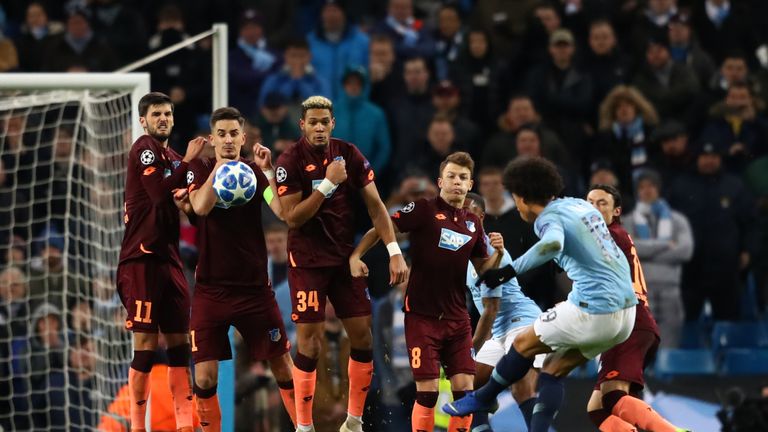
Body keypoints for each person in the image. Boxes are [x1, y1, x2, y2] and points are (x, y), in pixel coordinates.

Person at [443, 157, 638, 432]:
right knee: (553, 371)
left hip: (594, 307)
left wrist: (507, 271)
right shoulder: (580, 205)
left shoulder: (547, 218)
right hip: (626, 315)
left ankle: (481, 398)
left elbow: (553, 243)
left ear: (521, 197)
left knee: (523, 344)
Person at [275, 96, 408, 432]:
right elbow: (293, 218)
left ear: (333, 123)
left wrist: (393, 250)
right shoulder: (289, 160)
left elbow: (377, 206)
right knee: (310, 342)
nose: (319, 128)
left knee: (362, 338)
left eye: (325, 122)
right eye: (313, 122)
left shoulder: (349, 153)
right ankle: (303, 426)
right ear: (302, 125)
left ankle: (354, 420)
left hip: (342, 259)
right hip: (306, 261)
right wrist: (329, 184)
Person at [350, 152, 504, 432]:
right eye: (452, 176)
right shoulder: (423, 209)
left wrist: (500, 253)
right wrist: (356, 254)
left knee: (464, 392)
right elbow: (384, 226)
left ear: (470, 185)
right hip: (422, 317)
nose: (457, 182)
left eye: (463, 177)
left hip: (458, 320)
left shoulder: (473, 223)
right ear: (440, 181)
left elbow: (483, 269)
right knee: (428, 392)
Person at [185, 107, 295, 430]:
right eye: (222, 134)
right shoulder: (199, 167)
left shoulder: (254, 172)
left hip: (254, 290)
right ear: (212, 138)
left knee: (284, 367)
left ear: (243, 138)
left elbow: (281, 210)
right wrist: (219, 168)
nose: (228, 140)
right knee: (204, 375)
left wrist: (270, 171)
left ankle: (305, 427)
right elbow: (201, 207)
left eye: (234, 134)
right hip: (211, 289)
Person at [116, 91, 205, 432]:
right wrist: (190, 163)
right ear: (143, 120)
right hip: (140, 259)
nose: (164, 118)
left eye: (168, 113)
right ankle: (138, 426)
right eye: (157, 114)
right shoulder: (144, 147)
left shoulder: (172, 156)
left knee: (181, 344)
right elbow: (156, 193)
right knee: (146, 346)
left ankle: (185, 425)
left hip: (169, 261)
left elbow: (192, 213)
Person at [586, 184, 687, 431]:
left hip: (627, 323)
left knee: (612, 397)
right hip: (636, 325)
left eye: (602, 203)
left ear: (616, 211)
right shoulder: (613, 235)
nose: (594, 209)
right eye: (589, 202)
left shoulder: (607, 235)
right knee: (598, 409)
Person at [463, 192, 543, 430]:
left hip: (521, 321)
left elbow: (491, 309)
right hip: (498, 330)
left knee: (523, 388)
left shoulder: (490, 253)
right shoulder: (463, 255)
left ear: (481, 217)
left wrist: (469, 348)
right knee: (470, 387)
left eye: (470, 213)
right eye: (459, 212)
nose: (463, 218)